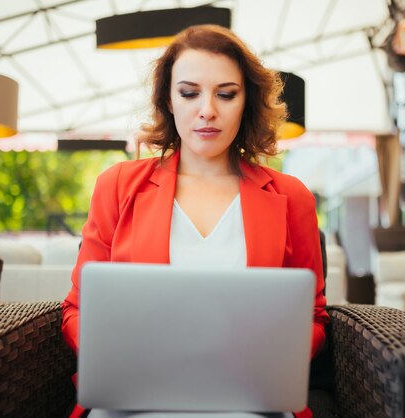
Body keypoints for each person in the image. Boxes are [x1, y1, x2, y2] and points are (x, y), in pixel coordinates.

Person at [62, 24, 329, 418]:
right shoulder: (117, 186)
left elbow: (314, 316)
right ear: (169, 101)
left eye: (226, 94)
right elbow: (76, 310)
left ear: (247, 101)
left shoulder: (291, 197)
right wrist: (118, 359)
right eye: (189, 93)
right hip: (134, 397)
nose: (207, 110)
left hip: (249, 399)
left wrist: (266, 361)